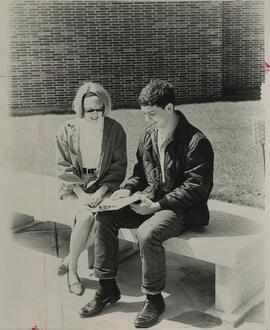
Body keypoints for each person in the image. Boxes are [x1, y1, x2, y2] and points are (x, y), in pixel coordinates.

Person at [79, 79, 214, 327]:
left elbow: (195, 188)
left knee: (147, 233)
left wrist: (157, 206)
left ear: (170, 108)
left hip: (182, 208)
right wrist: (127, 190)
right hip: (150, 199)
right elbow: (140, 172)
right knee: (105, 217)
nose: (147, 120)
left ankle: (153, 299)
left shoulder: (196, 141)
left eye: (152, 114)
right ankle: (106, 287)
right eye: (144, 114)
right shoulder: (149, 135)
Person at [55, 81, 127, 296]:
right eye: (89, 110)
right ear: (80, 108)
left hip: (104, 187)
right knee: (86, 217)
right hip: (75, 187)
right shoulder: (66, 129)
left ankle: (68, 259)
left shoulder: (115, 129)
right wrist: (80, 192)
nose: (95, 114)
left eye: (99, 109)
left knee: (103, 219)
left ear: (105, 107)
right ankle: (73, 271)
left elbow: (118, 165)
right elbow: (62, 165)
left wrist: (100, 191)